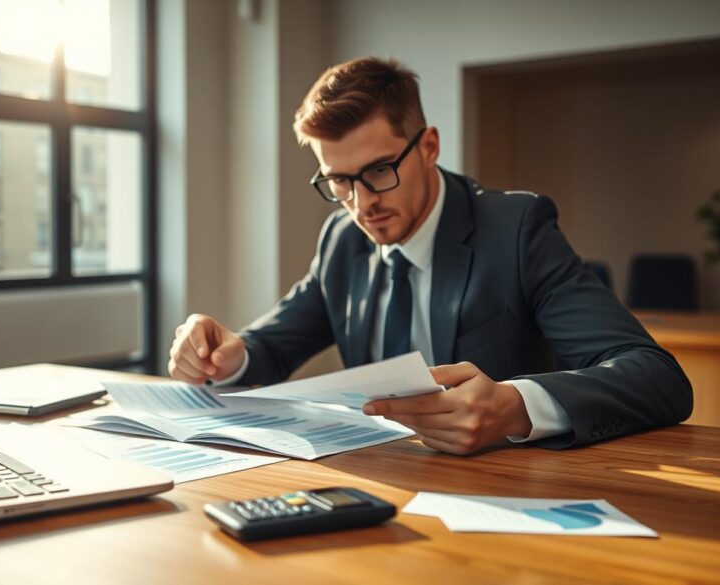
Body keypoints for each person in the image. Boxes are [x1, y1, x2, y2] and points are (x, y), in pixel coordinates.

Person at [167, 57, 692, 454]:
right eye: (338, 182)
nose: (362, 203)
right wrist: (230, 355)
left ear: (429, 147)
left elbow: (656, 376)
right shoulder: (342, 241)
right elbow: (272, 345)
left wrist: (515, 406)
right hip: (384, 486)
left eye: (377, 172)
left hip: (511, 497)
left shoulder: (515, 229)